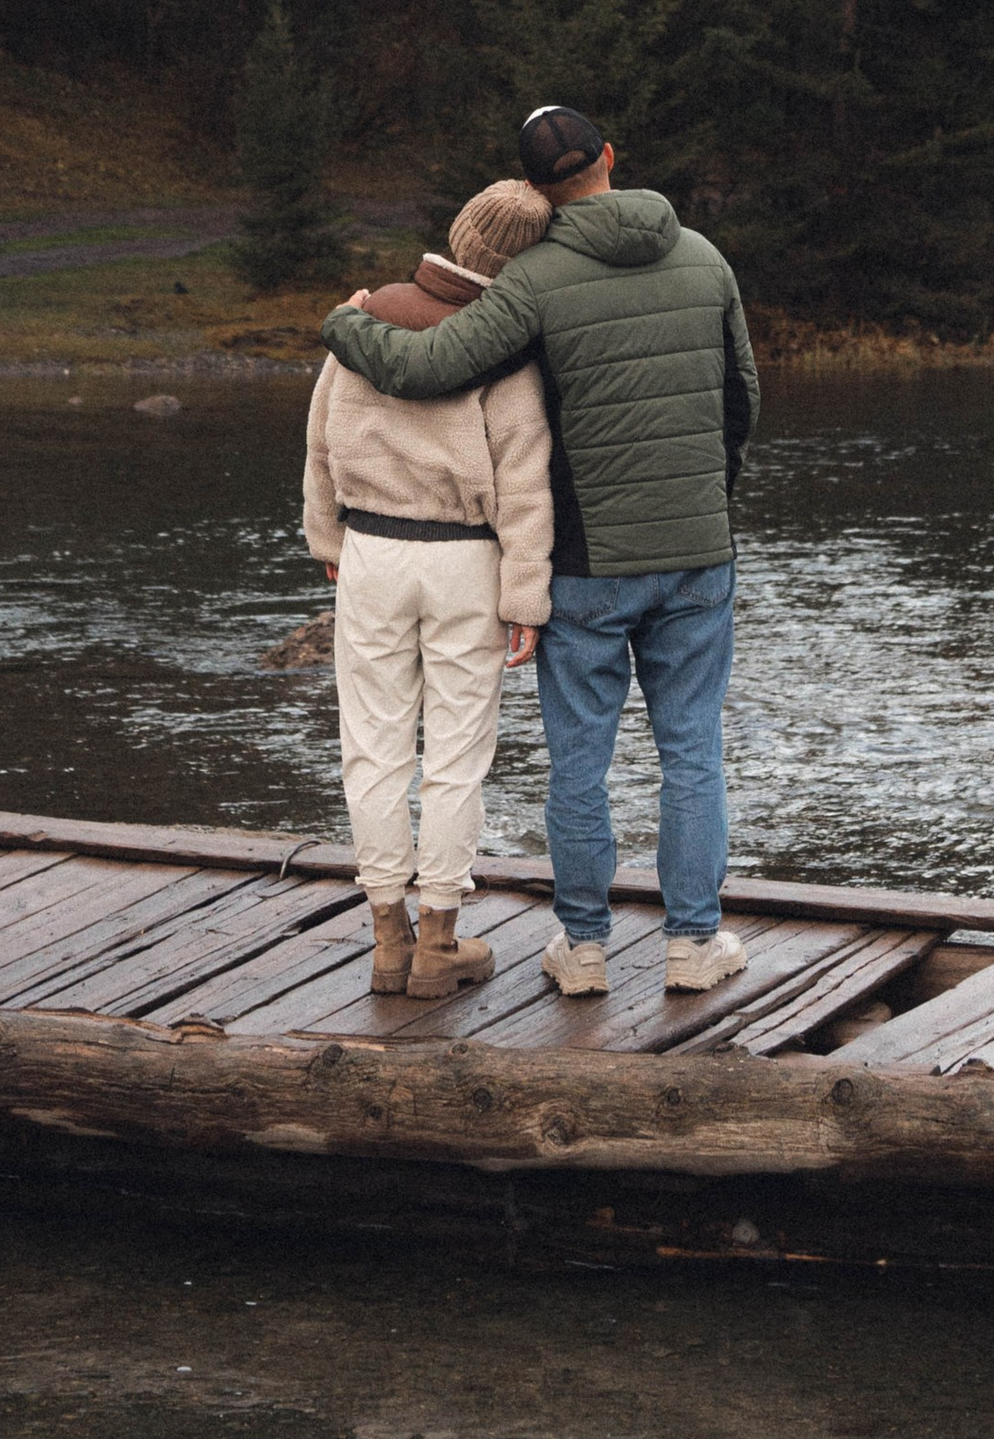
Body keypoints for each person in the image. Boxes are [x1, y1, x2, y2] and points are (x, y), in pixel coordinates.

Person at [321, 104, 758, 1001]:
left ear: (541, 191)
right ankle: (693, 946)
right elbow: (741, 398)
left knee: (580, 761)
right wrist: (709, 500)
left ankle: (585, 950)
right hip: (696, 551)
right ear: (608, 157)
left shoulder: (536, 278)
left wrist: (346, 323)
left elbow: (425, 367)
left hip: (589, 564)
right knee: (693, 751)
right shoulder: (706, 258)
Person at [303, 178, 556, 1000]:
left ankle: (386, 939)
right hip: (464, 561)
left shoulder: (365, 315)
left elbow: (319, 443)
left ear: (456, 233)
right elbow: (524, 484)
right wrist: (526, 598)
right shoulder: (504, 347)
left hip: (373, 550)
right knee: (455, 755)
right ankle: (440, 942)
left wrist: (328, 541)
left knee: (371, 749)